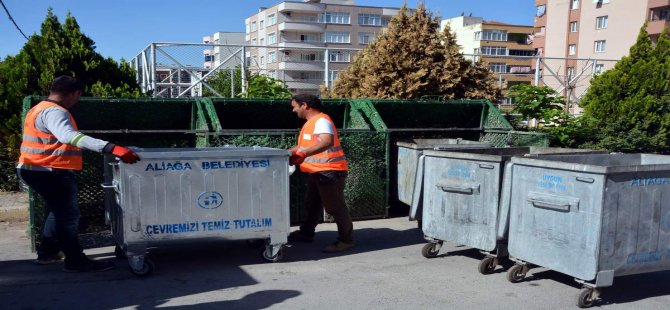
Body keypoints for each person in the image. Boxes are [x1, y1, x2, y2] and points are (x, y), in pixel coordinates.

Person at [16, 75, 140, 272]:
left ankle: (47, 253)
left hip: (34, 169)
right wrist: (110, 147)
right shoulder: (56, 112)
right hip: (50, 171)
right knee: (68, 217)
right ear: (75, 93)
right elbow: (68, 136)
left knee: (57, 213)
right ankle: (75, 260)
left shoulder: (38, 108)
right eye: (78, 96)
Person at [287, 94, 354, 253]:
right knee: (312, 204)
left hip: (329, 171)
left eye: (294, 106)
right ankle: (306, 233)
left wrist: (303, 154)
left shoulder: (322, 121)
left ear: (304, 105)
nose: (293, 110)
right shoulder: (311, 123)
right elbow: (302, 146)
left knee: (335, 207)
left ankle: (346, 240)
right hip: (318, 172)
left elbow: (326, 141)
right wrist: (285, 154)